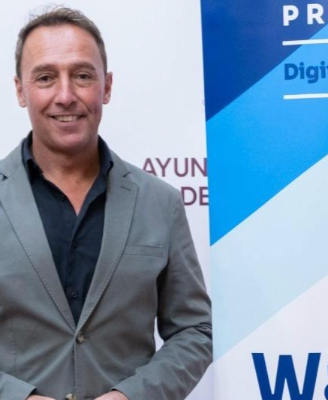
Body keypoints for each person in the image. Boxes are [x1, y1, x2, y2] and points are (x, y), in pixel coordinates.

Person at [0, 7, 212, 400]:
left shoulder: (159, 202)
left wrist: (130, 396)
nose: (66, 95)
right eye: (46, 77)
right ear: (20, 91)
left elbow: (194, 331)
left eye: (82, 75)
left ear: (107, 86)